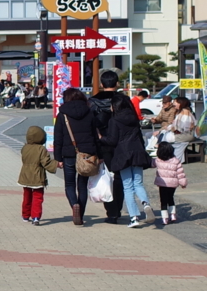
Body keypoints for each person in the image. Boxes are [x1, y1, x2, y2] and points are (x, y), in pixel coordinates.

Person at [99, 92, 155, 227]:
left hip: (122, 155)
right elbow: (140, 138)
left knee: (128, 187)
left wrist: (101, 138)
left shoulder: (114, 120)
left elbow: (112, 140)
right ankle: (145, 203)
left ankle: (134, 218)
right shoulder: (134, 118)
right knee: (139, 183)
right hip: (137, 153)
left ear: (115, 106)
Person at [54, 88, 99, 226]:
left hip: (68, 154)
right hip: (86, 154)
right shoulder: (89, 112)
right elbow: (94, 135)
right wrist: (99, 154)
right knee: (82, 186)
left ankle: (74, 205)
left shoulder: (63, 114)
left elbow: (58, 138)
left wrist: (58, 158)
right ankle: (81, 215)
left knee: (69, 184)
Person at [89, 71, 129, 224]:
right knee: (119, 177)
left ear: (101, 84)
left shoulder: (93, 102)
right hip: (121, 143)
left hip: (102, 144)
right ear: (117, 83)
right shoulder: (124, 100)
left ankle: (111, 211)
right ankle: (117, 209)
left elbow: (91, 125)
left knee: (106, 177)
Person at [152, 141, 187, 225]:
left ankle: (165, 218)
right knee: (170, 198)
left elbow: (150, 164)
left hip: (162, 184)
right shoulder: (176, 160)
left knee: (163, 201)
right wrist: (183, 183)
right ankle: (173, 215)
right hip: (173, 184)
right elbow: (180, 173)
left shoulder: (158, 160)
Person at [166, 96, 197, 163]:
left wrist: (173, 129)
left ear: (180, 103)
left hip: (186, 135)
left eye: (175, 102)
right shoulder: (181, 112)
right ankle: (175, 158)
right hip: (183, 134)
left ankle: (175, 159)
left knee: (168, 138)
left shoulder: (185, 112)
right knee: (165, 135)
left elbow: (184, 128)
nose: (173, 104)